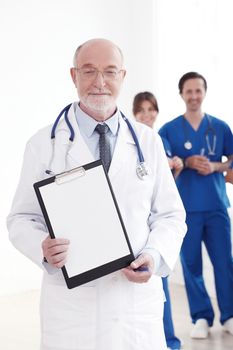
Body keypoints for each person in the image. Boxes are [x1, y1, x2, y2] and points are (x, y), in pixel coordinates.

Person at [7, 38, 186, 350]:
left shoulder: (149, 142)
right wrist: (42, 248)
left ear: (122, 76)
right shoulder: (43, 145)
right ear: (74, 76)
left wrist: (154, 255)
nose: (100, 82)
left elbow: (170, 215)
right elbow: (21, 218)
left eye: (109, 71)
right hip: (73, 306)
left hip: (134, 305)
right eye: (89, 71)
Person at [159, 71, 233, 339]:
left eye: (198, 90)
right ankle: (201, 316)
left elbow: (231, 160)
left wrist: (216, 165)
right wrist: (185, 161)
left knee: (224, 262)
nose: (193, 96)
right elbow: (162, 163)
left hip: (216, 207)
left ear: (204, 92)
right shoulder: (168, 130)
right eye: (188, 91)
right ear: (181, 94)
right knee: (191, 265)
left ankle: (229, 315)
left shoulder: (220, 127)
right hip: (185, 209)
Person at [133, 91, 183, 350]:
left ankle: (170, 342)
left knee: (160, 288)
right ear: (134, 113)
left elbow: (166, 192)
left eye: (151, 109)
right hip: (136, 229)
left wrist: (174, 166)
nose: (146, 115)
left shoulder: (160, 140)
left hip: (158, 229)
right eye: (141, 110)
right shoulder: (130, 141)